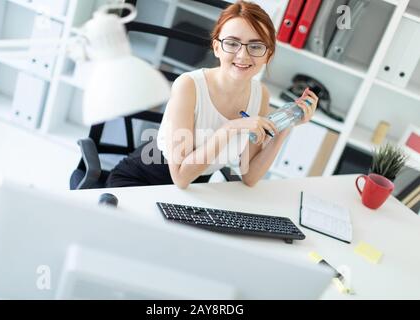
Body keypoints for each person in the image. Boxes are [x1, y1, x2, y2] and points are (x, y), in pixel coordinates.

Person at [106, 0, 318, 189]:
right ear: (217, 47)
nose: (243, 55)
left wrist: (287, 124)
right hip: (141, 182)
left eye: (256, 46)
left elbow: (250, 176)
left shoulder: (261, 95)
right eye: (233, 43)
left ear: (268, 55)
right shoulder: (188, 85)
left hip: (196, 190)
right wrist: (231, 128)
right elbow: (180, 177)